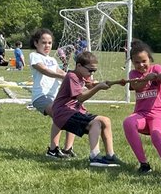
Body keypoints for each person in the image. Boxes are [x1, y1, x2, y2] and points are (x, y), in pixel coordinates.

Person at [51, 50, 121, 167]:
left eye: (94, 71)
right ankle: (95, 156)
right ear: (78, 66)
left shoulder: (81, 76)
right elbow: (81, 98)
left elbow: (88, 84)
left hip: (73, 111)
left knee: (106, 121)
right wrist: (98, 87)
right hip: (64, 113)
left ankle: (110, 155)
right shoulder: (71, 76)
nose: (92, 74)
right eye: (90, 70)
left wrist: (96, 84)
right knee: (96, 123)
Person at [122, 41, 161, 177]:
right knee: (128, 122)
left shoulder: (156, 68)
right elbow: (137, 87)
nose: (141, 65)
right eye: (137, 62)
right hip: (141, 115)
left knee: (156, 134)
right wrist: (146, 79)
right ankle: (144, 164)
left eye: (144, 61)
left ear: (150, 59)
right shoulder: (133, 74)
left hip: (158, 115)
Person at [30, 28, 76, 158]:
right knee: (60, 114)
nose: (47, 46)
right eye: (43, 42)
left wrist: (75, 78)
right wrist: (64, 77)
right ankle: (53, 150)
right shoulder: (35, 56)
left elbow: (61, 72)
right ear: (36, 43)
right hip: (41, 96)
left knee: (72, 114)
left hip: (55, 97)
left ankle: (68, 148)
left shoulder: (53, 60)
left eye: (49, 43)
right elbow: (45, 71)